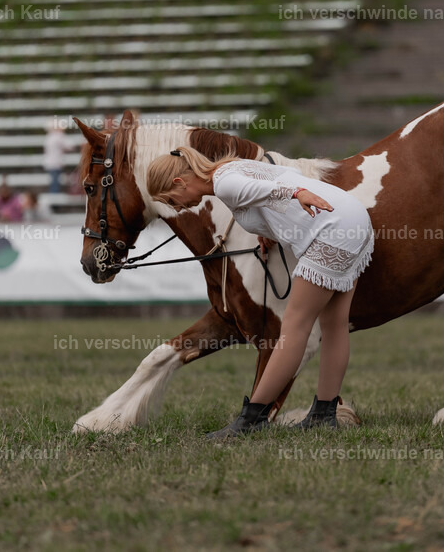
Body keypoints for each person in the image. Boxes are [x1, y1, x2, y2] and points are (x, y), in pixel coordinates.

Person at [147, 147, 375, 437]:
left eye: (170, 200)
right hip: (353, 219)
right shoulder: (231, 169)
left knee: (294, 328)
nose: (176, 208)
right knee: (334, 324)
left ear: (179, 183)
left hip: (332, 227)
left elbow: (283, 186)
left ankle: (252, 419)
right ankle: (323, 413)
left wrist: (298, 195)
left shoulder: (224, 184)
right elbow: (279, 181)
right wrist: (267, 231)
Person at [43, 119, 73, 194]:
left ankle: (54, 199)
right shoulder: (58, 136)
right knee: (55, 184)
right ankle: (54, 201)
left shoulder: (49, 137)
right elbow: (70, 146)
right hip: (55, 163)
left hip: (51, 163)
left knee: (54, 183)